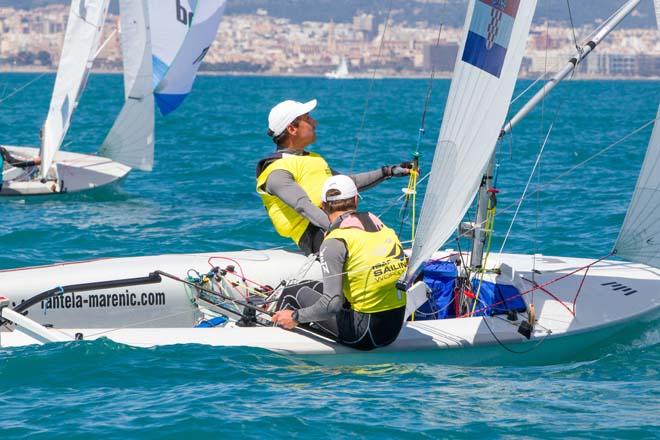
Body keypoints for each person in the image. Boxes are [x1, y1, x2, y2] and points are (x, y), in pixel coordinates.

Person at [256, 98, 413, 255]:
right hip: (315, 233)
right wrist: (343, 230)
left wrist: (388, 171)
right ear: (292, 129)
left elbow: (349, 183)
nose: (314, 122)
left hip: (340, 224)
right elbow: (303, 206)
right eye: (308, 118)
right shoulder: (276, 171)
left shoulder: (313, 158)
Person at [271, 175, 408, 351]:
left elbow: (331, 305)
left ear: (323, 205)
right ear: (356, 200)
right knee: (310, 285)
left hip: (364, 335)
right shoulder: (384, 229)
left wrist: (296, 316)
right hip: (392, 331)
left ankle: (270, 332)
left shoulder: (336, 241)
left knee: (293, 292)